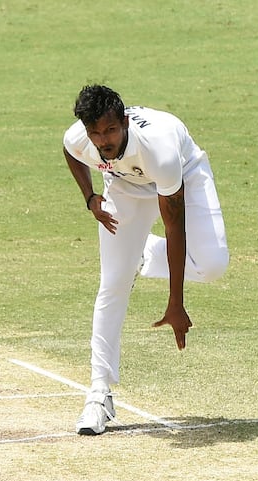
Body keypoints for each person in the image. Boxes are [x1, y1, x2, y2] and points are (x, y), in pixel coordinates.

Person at [62, 85, 229, 435]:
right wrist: (90, 197)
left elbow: (174, 226)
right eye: (95, 133)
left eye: (109, 130)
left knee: (213, 266)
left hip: (184, 176)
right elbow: (71, 150)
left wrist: (176, 303)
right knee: (113, 284)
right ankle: (98, 393)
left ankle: (141, 254)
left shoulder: (161, 151)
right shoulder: (80, 137)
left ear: (124, 122)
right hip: (124, 186)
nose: (102, 140)